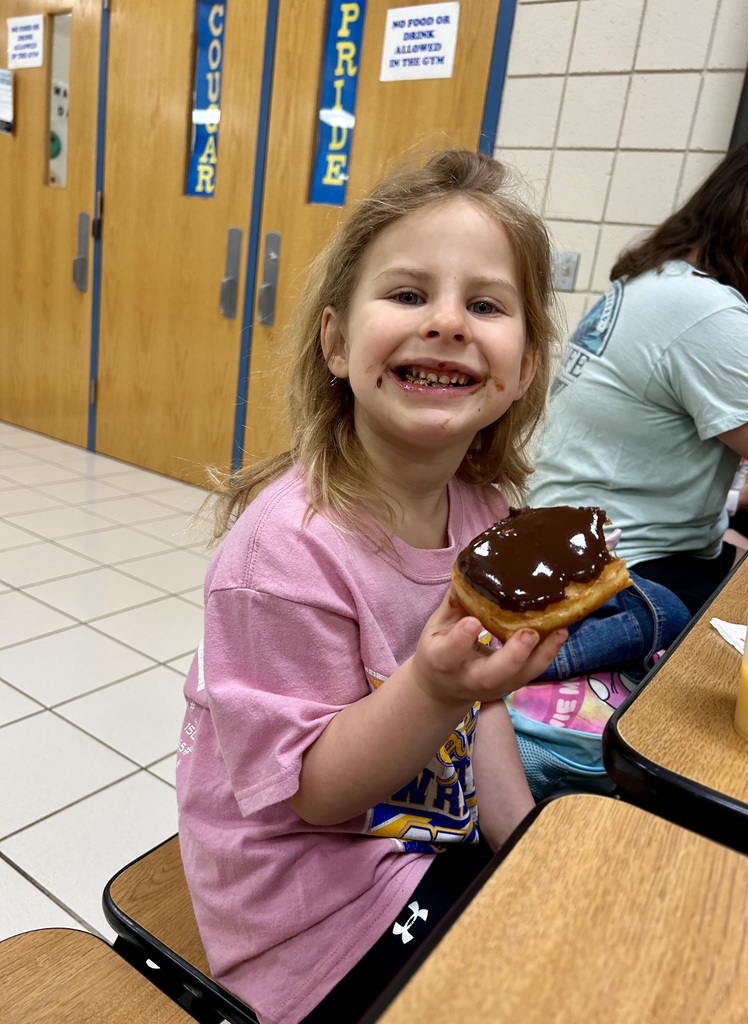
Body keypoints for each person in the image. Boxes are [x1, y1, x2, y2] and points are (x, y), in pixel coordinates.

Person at [176, 149, 568, 1024]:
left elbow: (484, 710)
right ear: (337, 344)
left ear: (525, 366)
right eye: (407, 294)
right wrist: (434, 685)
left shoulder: (488, 513)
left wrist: (524, 845)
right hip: (309, 907)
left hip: (424, 838)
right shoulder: (283, 556)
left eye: (487, 304)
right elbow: (316, 793)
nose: (448, 322)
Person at [528, 131, 748, 615]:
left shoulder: (653, 281)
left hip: (561, 539)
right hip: (619, 568)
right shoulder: (709, 311)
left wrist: (731, 499)